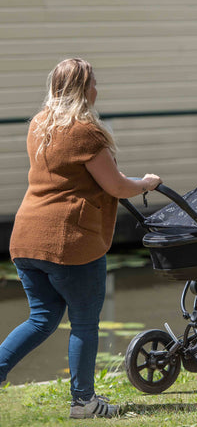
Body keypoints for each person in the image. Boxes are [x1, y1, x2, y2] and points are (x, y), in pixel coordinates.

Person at [0, 58, 162, 419]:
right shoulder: (85, 132)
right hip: (68, 242)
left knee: (41, 318)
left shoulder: (39, 125)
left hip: (26, 239)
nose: (96, 89)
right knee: (85, 322)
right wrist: (147, 183)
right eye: (93, 83)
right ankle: (84, 402)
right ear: (83, 89)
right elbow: (117, 186)